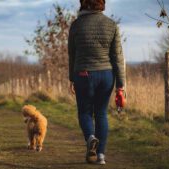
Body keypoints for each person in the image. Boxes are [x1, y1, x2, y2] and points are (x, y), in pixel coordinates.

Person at [68, 0, 126, 165]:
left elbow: (72, 54)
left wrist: (71, 78)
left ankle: (91, 138)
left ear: (83, 3)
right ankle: (100, 156)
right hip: (106, 75)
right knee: (101, 113)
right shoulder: (111, 25)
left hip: (83, 74)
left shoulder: (76, 25)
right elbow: (117, 57)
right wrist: (121, 84)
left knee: (85, 112)